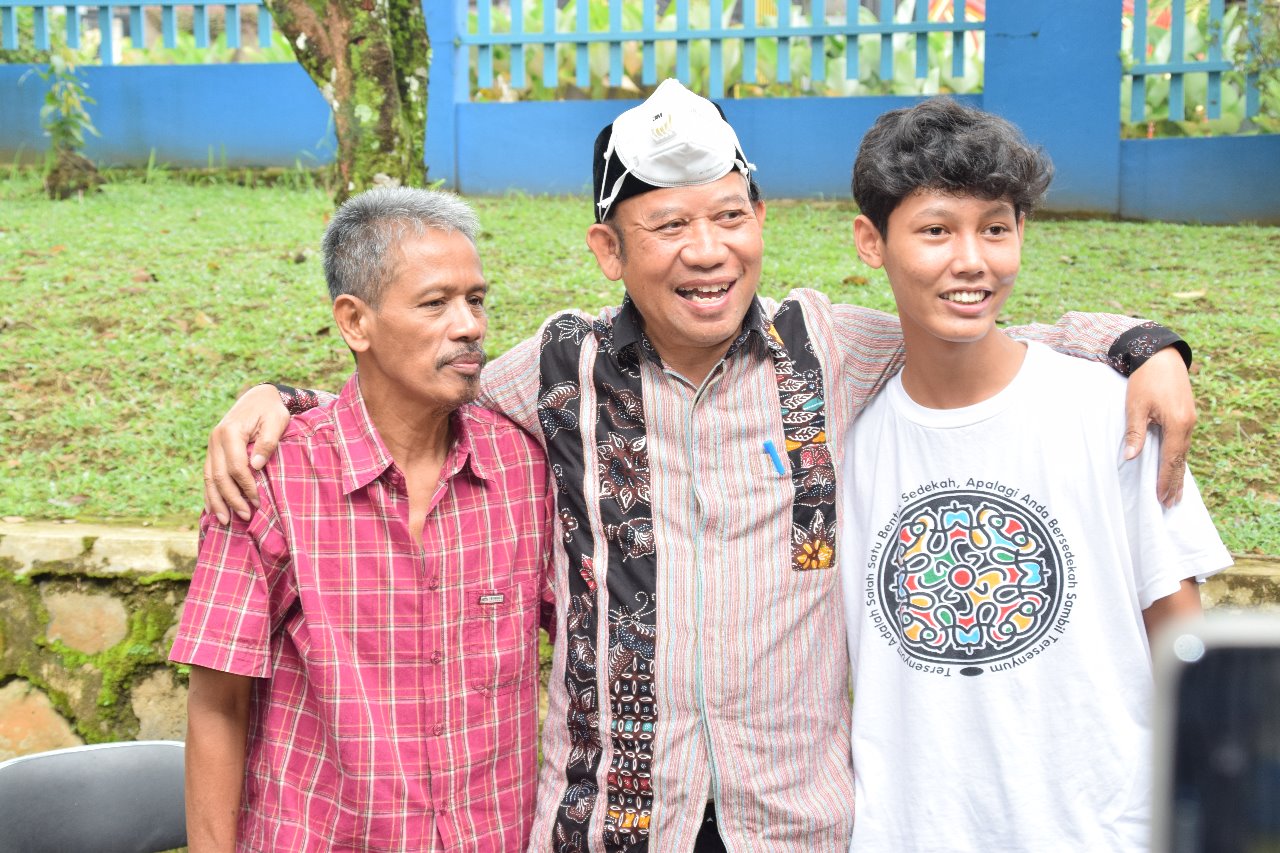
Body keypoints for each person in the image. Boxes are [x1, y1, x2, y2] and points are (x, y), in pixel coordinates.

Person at [202, 80, 1198, 852]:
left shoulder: (831, 348)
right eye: (668, 227)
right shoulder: (555, 370)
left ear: (760, 223)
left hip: (796, 824)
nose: (705, 251)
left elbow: (977, 322)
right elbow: (421, 378)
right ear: (608, 249)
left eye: (728, 217)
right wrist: (277, 403)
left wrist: (1138, 342)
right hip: (615, 822)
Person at [839, 98, 1232, 852]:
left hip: (1105, 828)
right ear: (871, 241)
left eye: (996, 227)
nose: (972, 260)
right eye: (935, 230)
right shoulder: (849, 441)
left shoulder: (1110, 414)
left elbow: (1183, 641)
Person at [171, 187, 553, 851]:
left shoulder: (522, 467)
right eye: (435, 303)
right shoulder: (271, 477)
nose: (469, 325)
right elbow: (216, 702)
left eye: (477, 299)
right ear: (355, 321)